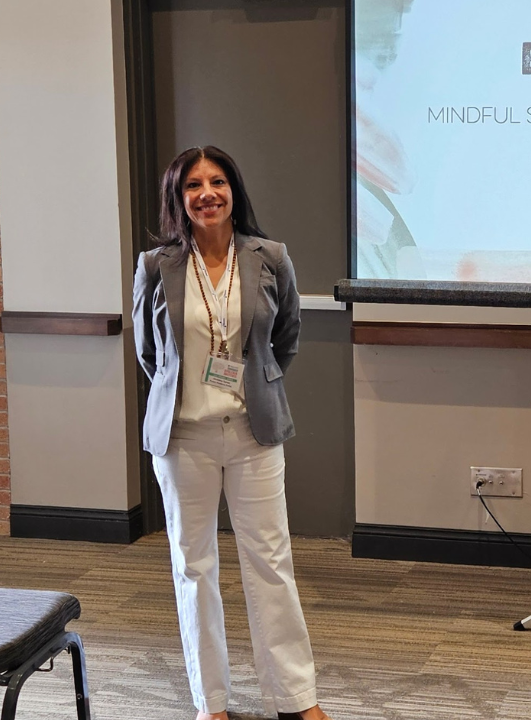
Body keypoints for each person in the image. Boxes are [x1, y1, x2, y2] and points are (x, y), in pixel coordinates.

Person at [132, 146, 330, 720]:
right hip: (183, 440)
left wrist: (252, 387)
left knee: (271, 562)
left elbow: (284, 339)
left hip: (252, 432)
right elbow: (151, 354)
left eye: (217, 182)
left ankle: (295, 699)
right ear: (179, 198)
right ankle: (211, 703)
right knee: (193, 567)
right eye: (193, 185)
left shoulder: (272, 258)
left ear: (234, 191)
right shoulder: (156, 265)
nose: (207, 194)